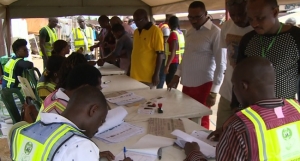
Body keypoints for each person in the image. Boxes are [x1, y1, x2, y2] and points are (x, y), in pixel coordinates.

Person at [184, 56, 300, 161]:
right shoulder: (297, 108)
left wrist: (194, 153)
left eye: (234, 86)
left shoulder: (239, 126)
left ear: (243, 86)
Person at [11, 86, 132, 161]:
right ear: (93, 110)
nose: (98, 127)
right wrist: (85, 153)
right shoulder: (79, 144)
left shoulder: (25, 130)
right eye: (101, 120)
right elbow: (72, 148)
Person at [230, 0, 300, 111]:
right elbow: (239, 77)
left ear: (275, 12)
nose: (254, 24)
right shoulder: (248, 39)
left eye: (260, 18)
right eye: (251, 19)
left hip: (283, 112)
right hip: (251, 112)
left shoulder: (296, 38)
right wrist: (235, 106)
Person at [168, 1, 226, 129]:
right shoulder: (190, 32)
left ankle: (201, 146)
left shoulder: (215, 33)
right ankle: (188, 143)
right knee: (187, 116)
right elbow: (186, 57)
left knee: (201, 119)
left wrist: (214, 91)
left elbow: (221, 63)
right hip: (187, 83)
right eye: (190, 17)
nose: (193, 21)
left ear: (205, 14)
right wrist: (177, 75)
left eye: (197, 17)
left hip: (204, 84)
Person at [215, 0, 253, 129]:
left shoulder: (257, 27)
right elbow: (223, 59)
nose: (237, 19)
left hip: (249, 97)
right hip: (227, 92)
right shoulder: (226, 27)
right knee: (220, 131)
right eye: (233, 15)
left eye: (241, 14)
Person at [131, 9, 164, 88]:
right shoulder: (136, 32)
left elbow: (160, 54)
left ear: (146, 18)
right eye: (134, 20)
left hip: (148, 77)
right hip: (134, 75)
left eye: (138, 20)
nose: (136, 23)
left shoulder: (156, 31)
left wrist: (156, 74)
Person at [164, 16, 185, 85]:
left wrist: (167, 66)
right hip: (178, 61)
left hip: (173, 63)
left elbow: (173, 51)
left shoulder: (173, 34)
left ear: (170, 23)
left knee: (170, 84)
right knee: (173, 84)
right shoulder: (180, 33)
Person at [156, 14, 173, 89]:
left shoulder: (161, 25)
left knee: (160, 73)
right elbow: (165, 42)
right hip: (163, 54)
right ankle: (159, 90)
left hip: (160, 53)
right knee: (162, 74)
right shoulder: (166, 28)